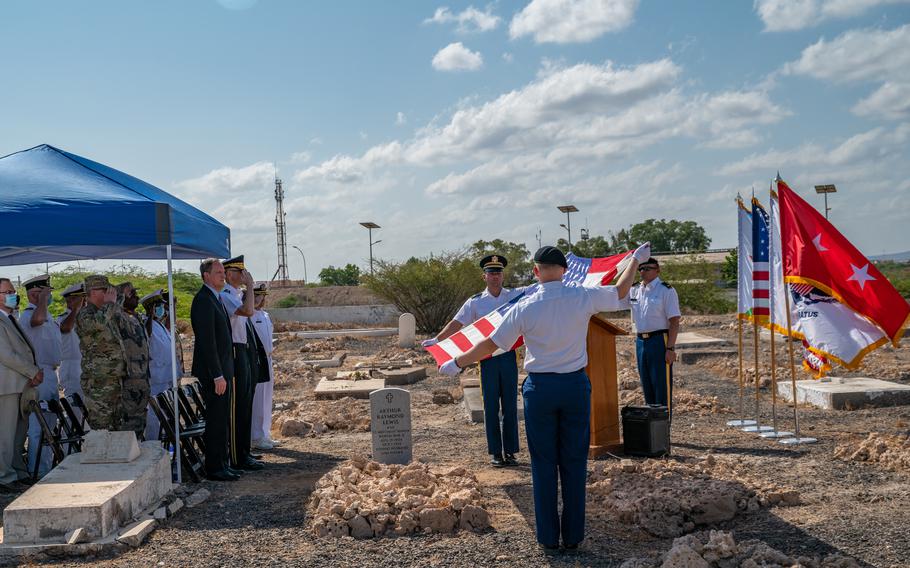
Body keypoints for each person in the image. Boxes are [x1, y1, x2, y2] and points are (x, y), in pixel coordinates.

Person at [440, 243, 649, 552]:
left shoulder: (524, 307)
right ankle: (574, 536)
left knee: (543, 464)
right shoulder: (581, 296)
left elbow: (490, 345)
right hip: (576, 387)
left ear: (535, 272)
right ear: (564, 270)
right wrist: (633, 260)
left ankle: (549, 538)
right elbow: (620, 292)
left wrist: (457, 362)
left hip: (540, 390)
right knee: (575, 462)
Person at [423, 254, 525, 467]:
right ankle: (496, 452)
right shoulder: (476, 302)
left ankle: (512, 451)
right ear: (484, 277)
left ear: (503, 275)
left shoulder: (514, 296)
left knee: (509, 405)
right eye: (491, 273)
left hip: (507, 356)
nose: (495, 277)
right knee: (490, 405)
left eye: (498, 273)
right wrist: (437, 340)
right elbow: (457, 323)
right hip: (486, 358)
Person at [191, 258, 239, 481]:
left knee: (222, 419)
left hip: (223, 371)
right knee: (216, 419)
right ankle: (215, 467)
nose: (223, 275)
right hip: (214, 373)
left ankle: (223, 463)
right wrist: (218, 374)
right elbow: (207, 342)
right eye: (218, 272)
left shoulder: (216, 298)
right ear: (206, 276)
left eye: (222, 271)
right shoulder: (203, 300)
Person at [220, 255, 267, 472]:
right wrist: (249, 287)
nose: (244, 276)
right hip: (235, 352)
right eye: (240, 273)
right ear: (229, 274)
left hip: (245, 350)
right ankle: (238, 456)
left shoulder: (237, 294)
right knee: (239, 406)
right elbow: (248, 311)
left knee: (246, 403)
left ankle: (244, 451)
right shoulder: (227, 295)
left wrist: (247, 289)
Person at [0, 278, 42, 492]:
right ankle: (5, 478)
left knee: (18, 434)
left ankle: (18, 472)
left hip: (20, 385)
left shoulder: (10, 318)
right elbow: (6, 355)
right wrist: (32, 371)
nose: (12, 294)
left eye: (13, 291)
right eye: (7, 291)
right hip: (7, 385)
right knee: (5, 435)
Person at [622, 257, 680, 407]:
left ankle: (663, 428)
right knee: (647, 385)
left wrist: (670, 348)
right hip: (641, 341)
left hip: (659, 340)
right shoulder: (634, 289)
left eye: (648, 268)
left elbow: (674, 321)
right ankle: (652, 427)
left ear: (657, 270)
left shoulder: (666, 290)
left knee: (661, 387)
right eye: (641, 268)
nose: (643, 271)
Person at [77, 275, 132, 432]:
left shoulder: (107, 311)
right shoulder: (85, 314)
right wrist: (109, 303)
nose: (110, 293)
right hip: (98, 385)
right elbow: (98, 323)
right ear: (93, 292)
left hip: (115, 381)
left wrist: (122, 291)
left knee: (117, 430)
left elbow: (115, 306)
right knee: (102, 432)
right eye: (106, 290)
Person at [20, 275, 62, 477]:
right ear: (35, 294)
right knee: (38, 428)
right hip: (38, 376)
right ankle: (37, 471)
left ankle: (46, 467)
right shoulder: (28, 315)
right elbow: (37, 320)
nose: (50, 296)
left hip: (51, 375)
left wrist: (44, 302)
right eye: (47, 293)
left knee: (49, 426)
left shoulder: (47, 316)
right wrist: (43, 300)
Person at [141, 289, 184, 442]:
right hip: (156, 378)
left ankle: (163, 443)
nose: (162, 309)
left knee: (166, 414)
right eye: (158, 306)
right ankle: (153, 443)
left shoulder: (160, 326)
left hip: (166, 377)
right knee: (155, 415)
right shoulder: (147, 324)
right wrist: (150, 313)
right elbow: (147, 334)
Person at [250, 284, 280, 450]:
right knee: (258, 399)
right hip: (257, 360)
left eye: (260, 296)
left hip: (268, 359)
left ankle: (265, 433)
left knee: (267, 398)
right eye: (254, 296)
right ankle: (256, 436)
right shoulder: (249, 315)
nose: (257, 299)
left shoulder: (265, 315)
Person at [56, 283, 86, 402]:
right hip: (71, 367)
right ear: (71, 300)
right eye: (82, 298)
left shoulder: (86, 317)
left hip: (86, 364)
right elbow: (66, 328)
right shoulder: (64, 317)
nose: (85, 301)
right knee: (75, 407)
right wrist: (76, 309)